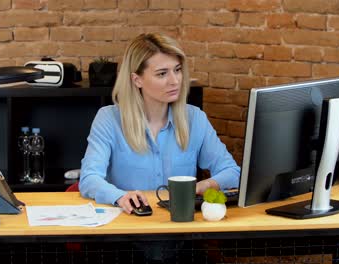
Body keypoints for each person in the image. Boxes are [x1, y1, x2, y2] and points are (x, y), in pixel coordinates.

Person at [79, 32, 240, 214]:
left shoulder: (195, 118)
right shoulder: (109, 119)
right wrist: (119, 196)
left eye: (177, 70)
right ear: (137, 79)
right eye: (162, 73)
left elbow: (232, 171)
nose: (175, 80)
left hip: (180, 232)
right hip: (128, 229)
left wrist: (208, 184)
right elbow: (89, 178)